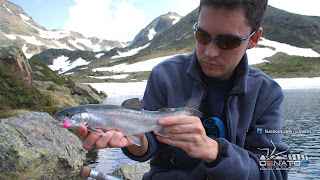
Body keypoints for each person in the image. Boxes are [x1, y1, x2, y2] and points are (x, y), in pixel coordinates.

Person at [79, 0, 289, 179]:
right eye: (203, 36)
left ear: (253, 39)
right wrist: (134, 137)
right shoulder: (164, 75)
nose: (210, 52)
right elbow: (147, 145)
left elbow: (275, 170)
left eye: (227, 42)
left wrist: (214, 150)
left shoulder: (267, 93)